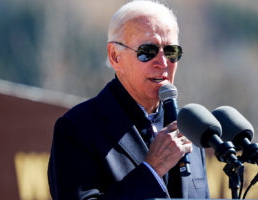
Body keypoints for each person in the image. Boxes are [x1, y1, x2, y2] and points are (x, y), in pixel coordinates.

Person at [47, 0, 210, 199]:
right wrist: (152, 170)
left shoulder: (190, 127)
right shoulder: (76, 129)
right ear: (115, 56)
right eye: (147, 52)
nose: (162, 62)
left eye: (171, 52)